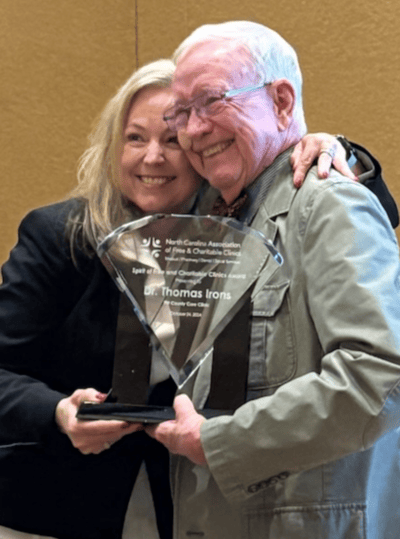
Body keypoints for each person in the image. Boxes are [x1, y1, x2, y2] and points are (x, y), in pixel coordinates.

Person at [1, 54, 378, 539]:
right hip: (54, 505)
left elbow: (366, 209)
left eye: (173, 139)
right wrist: (56, 412)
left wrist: (334, 150)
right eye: (134, 138)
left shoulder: (236, 228)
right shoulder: (59, 235)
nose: (152, 157)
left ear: (203, 147)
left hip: (190, 502)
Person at [145, 21, 400, 539]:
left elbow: (380, 376)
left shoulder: (329, 202)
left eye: (212, 101)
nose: (192, 131)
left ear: (282, 101)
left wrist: (219, 444)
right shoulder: (215, 219)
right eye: (182, 113)